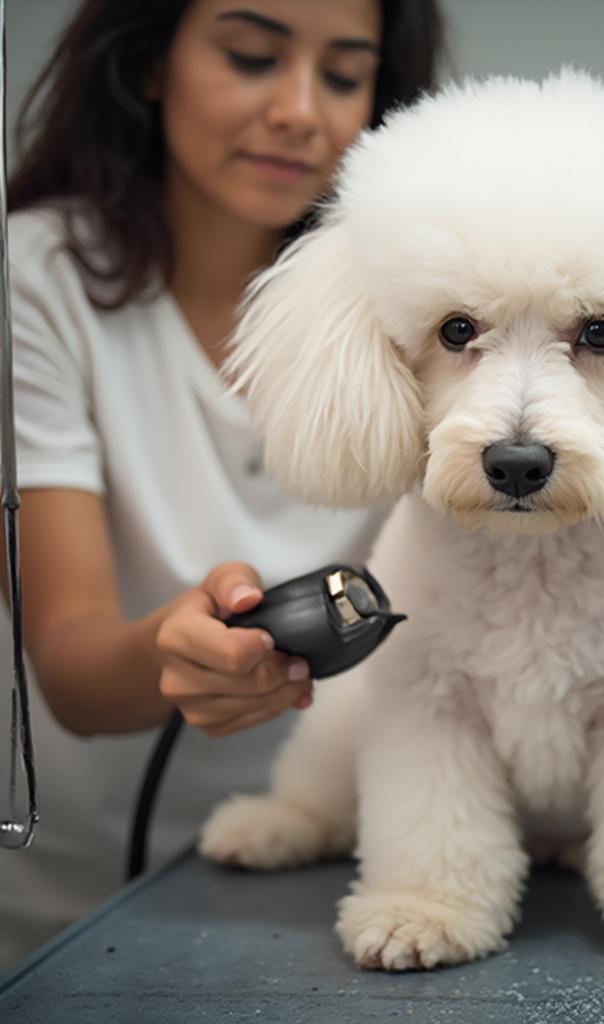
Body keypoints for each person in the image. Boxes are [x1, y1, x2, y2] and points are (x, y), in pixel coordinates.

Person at [0, 0, 443, 968]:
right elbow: (69, 662)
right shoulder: (32, 281)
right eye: (251, 56)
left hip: (341, 874)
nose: (299, 111)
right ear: (150, 64)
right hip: (70, 907)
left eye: (341, 75)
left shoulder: (412, 297)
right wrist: (174, 647)